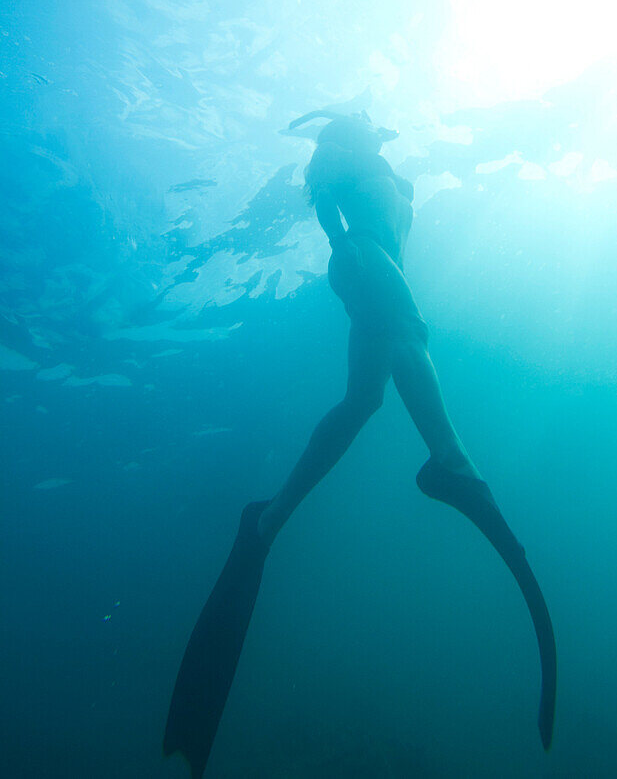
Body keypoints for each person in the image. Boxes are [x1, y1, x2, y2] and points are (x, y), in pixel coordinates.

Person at [164, 112, 556, 779]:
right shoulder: (340, 151)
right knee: (408, 331)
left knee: (362, 402)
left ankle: (272, 515)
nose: (376, 122)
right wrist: (342, 244)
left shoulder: (374, 163)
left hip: (372, 263)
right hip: (364, 263)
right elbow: (323, 198)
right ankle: (451, 464)